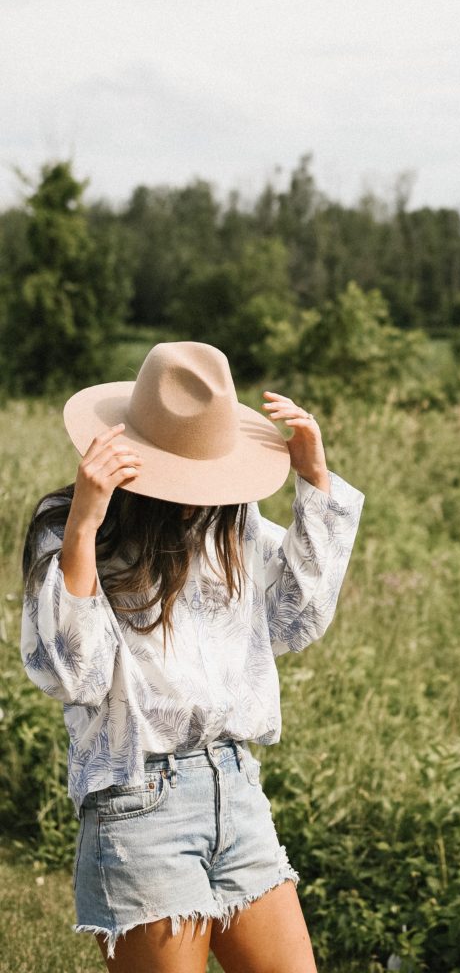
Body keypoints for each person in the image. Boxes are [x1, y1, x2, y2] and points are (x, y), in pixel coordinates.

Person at [19, 341, 365, 973]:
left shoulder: (229, 522)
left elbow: (295, 619)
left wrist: (316, 482)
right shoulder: (69, 526)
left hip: (236, 788)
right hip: (137, 803)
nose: (196, 491)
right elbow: (74, 673)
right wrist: (85, 525)